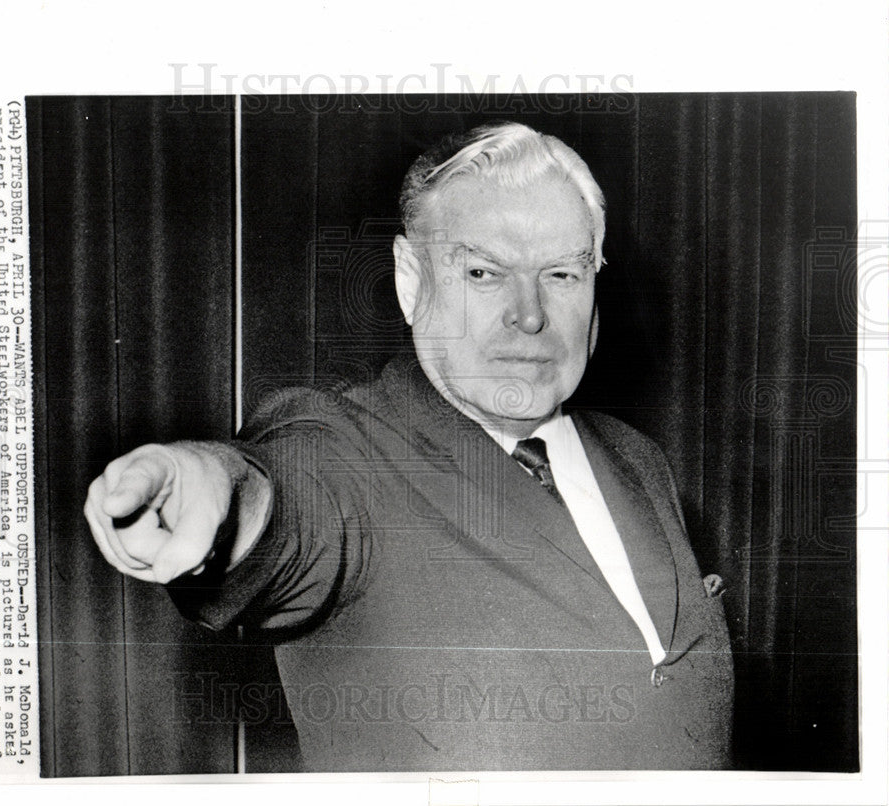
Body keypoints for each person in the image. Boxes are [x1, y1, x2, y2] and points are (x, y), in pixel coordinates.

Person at [84, 122, 734, 771]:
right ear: (409, 278)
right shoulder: (354, 455)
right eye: (483, 271)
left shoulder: (638, 460)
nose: (530, 314)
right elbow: (294, 503)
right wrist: (221, 492)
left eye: (562, 273)